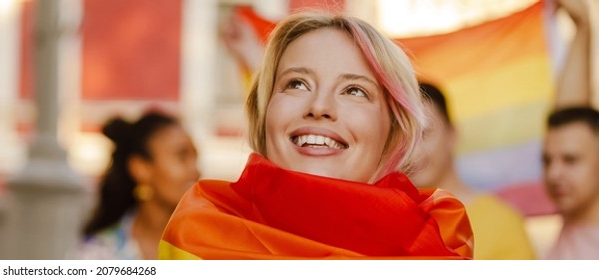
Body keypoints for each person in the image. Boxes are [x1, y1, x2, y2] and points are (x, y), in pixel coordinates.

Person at [159, 12, 473, 259]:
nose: (320, 106)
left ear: (394, 131)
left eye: (354, 90)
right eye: (296, 84)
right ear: (264, 113)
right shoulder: (198, 236)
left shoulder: (438, 243)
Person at [409, 83, 535, 259]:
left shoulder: (501, 222)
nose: (413, 152)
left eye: (425, 134)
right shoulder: (388, 223)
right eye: (403, 138)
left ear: (452, 135)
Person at [73, 111, 201, 259]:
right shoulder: (97, 254)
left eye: (195, 157)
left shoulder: (209, 248)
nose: (196, 171)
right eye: (182, 156)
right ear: (141, 168)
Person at [544, 0, 599, 260]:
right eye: (547, 160)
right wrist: (582, 27)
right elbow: (570, 116)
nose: (554, 173)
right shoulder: (575, 222)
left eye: (571, 160)